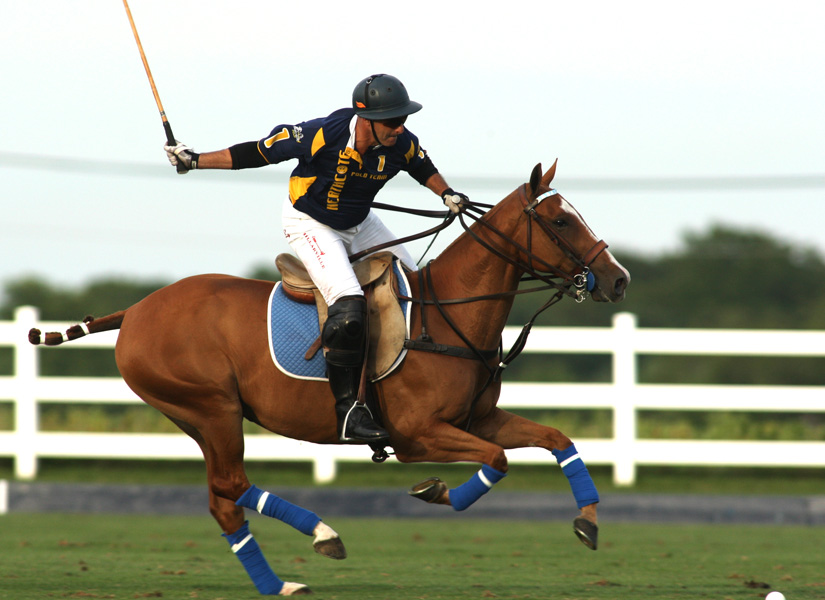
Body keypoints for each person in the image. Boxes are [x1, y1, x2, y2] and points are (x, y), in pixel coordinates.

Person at [164, 74, 470, 444]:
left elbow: (421, 166)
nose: (400, 127)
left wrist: (447, 193)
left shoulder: (401, 142)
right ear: (367, 119)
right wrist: (195, 160)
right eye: (392, 121)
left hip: (360, 223)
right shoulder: (321, 134)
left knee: (415, 288)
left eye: (403, 119)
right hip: (311, 222)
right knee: (349, 303)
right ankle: (349, 413)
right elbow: (257, 152)